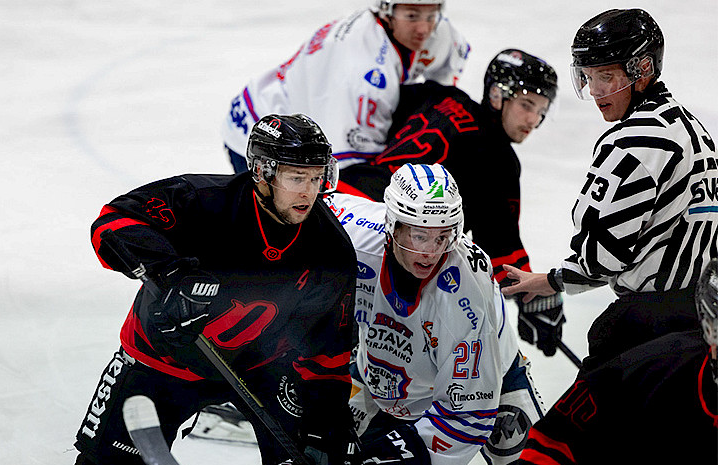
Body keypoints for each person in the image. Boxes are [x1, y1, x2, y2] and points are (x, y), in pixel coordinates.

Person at [73, 114, 358, 465]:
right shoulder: (203, 202)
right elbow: (112, 221)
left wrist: (327, 419)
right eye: (296, 177)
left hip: (263, 368)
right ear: (261, 173)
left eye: (316, 178)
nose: (309, 191)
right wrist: (170, 272)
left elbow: (328, 347)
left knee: (320, 457)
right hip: (161, 359)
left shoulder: (330, 248)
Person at [501, 8, 718, 370]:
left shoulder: (632, 141)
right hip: (704, 323)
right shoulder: (694, 130)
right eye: (587, 76)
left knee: (561, 428)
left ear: (642, 70)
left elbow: (605, 255)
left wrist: (554, 282)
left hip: (648, 328)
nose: (595, 90)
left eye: (606, 75)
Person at [337, 49, 566, 360]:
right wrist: (534, 296)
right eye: (526, 105)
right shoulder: (497, 158)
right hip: (384, 234)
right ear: (497, 95)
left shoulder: (441, 96)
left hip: (338, 197)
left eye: (541, 111)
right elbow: (500, 247)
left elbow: (376, 103)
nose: (532, 120)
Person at [324, 164, 544, 465]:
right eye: (419, 236)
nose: (431, 253)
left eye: (442, 237)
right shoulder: (354, 234)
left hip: (489, 383)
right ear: (393, 225)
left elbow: (467, 415)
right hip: (379, 376)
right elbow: (296, 208)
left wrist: (401, 455)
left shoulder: (464, 291)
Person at [221, 0, 470, 173]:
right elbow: (351, 174)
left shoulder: (439, 32)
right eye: (412, 16)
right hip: (259, 127)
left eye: (430, 14)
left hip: (307, 97)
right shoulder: (363, 75)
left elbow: (446, 81)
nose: (424, 28)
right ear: (386, 11)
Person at [515, 258, 718, 464]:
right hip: (643, 325)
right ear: (710, 330)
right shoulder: (643, 372)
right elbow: (552, 447)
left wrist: (553, 282)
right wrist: (551, 282)